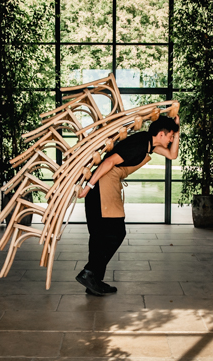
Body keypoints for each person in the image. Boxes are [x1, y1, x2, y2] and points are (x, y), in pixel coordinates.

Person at [75, 115, 180, 296]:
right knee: (115, 232)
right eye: (170, 136)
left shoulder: (150, 144)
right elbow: (109, 161)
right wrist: (88, 187)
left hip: (107, 184)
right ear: (161, 134)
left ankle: (94, 280)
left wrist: (177, 130)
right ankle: (89, 273)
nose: (171, 140)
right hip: (103, 184)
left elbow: (173, 154)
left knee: (100, 235)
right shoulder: (139, 143)